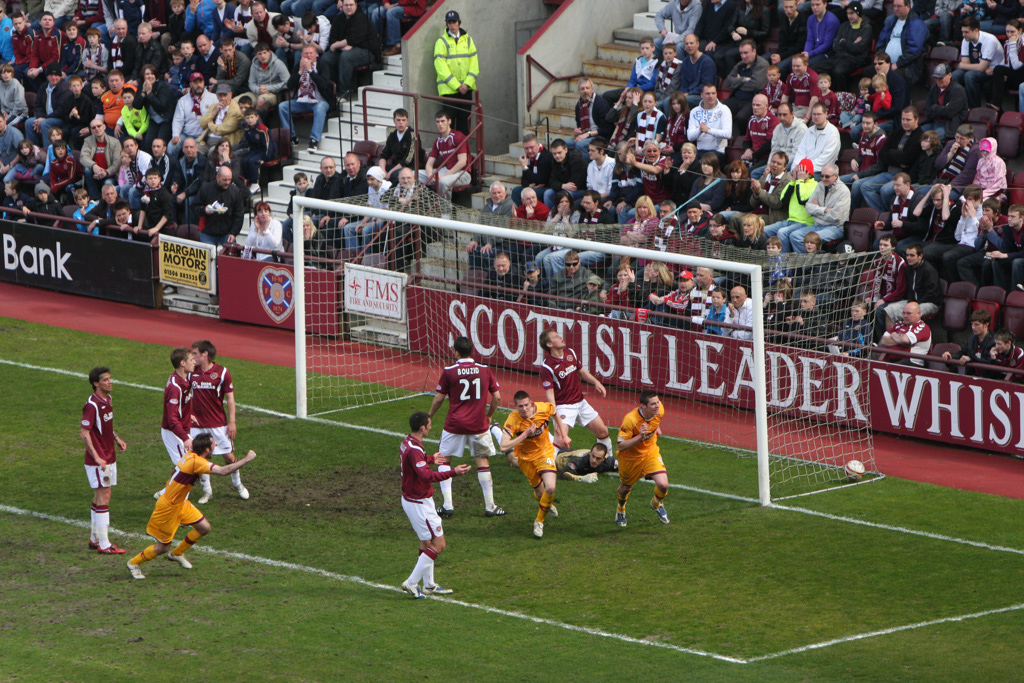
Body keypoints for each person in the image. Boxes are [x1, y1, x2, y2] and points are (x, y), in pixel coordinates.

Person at [126, 434, 257, 579]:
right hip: (168, 507)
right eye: (213, 444)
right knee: (163, 547)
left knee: (204, 527)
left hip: (180, 503)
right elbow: (223, 471)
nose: (215, 446)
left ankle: (177, 553)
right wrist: (247, 459)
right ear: (207, 449)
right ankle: (133, 563)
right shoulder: (196, 462)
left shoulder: (190, 455)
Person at [427, 336, 504, 518]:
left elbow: (438, 398)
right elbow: (497, 397)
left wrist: (429, 416)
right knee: (482, 461)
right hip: (479, 424)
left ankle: (447, 505)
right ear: (472, 351)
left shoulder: (449, 371)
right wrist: (489, 415)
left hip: (454, 424)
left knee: (444, 460)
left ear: (456, 352)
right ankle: (490, 506)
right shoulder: (484, 370)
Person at [397, 411, 470, 599]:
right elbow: (426, 475)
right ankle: (411, 582)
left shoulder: (408, 442)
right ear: (422, 427)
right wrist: (453, 472)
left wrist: (430, 458)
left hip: (415, 499)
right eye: (429, 425)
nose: (430, 427)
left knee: (426, 542)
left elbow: (415, 462)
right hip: (419, 503)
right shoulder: (414, 449)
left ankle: (428, 585)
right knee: (439, 544)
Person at [500, 390, 570, 539]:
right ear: (516, 406)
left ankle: (539, 522)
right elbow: (503, 446)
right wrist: (525, 434)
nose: (524, 408)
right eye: (520, 406)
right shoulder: (513, 419)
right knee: (540, 493)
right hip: (525, 459)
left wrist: (564, 435)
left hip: (545, 453)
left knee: (550, 487)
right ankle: (548, 504)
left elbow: (554, 412)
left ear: (531, 403)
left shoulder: (543, 408)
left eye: (526, 405)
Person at [189, 339, 248, 504]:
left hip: (218, 424)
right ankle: (207, 491)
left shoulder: (222, 373)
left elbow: (230, 399)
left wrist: (232, 422)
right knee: (201, 459)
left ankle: (238, 484)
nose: (192, 357)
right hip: (197, 426)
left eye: (195, 353)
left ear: (205, 354)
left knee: (228, 457)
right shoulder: (191, 372)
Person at [539, 327, 611, 453]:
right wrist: (556, 417)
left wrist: (596, 382)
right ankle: (548, 463)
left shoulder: (570, 353)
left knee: (603, 431)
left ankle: (609, 459)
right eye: (556, 337)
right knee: (560, 440)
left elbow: (581, 372)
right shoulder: (547, 366)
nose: (560, 337)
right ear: (549, 344)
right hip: (564, 406)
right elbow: (550, 395)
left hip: (581, 402)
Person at [81, 366, 129, 555]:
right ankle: (104, 543)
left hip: (108, 455)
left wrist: (116, 438)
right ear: (96, 383)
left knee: (99, 496)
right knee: (104, 496)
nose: (110, 382)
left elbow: (105, 425)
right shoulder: (92, 405)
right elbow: (84, 433)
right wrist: (97, 457)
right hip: (99, 459)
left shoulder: (107, 399)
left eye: (110, 378)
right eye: (105, 380)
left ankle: (94, 539)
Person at [615, 390, 668, 528]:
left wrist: (656, 428)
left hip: (650, 452)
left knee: (663, 485)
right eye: (653, 404)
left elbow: (655, 420)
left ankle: (656, 504)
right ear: (644, 406)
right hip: (630, 458)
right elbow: (620, 446)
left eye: (658, 402)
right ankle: (621, 508)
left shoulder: (659, 410)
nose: (657, 406)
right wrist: (640, 437)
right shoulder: (630, 420)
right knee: (625, 488)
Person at [154, 347, 196, 500]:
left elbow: (182, 404)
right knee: (187, 468)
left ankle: (165, 494)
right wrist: (185, 438)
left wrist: (188, 414)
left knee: (188, 466)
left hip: (181, 429)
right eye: (191, 359)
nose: (194, 362)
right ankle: (179, 502)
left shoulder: (185, 379)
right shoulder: (175, 387)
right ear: (182, 363)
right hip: (174, 432)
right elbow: (172, 419)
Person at [281, 44, 332, 152]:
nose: (308, 56)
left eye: (311, 53)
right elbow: (290, 85)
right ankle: (292, 137)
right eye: (306, 53)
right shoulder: (298, 66)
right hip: (302, 102)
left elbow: (324, 85)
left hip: (319, 101)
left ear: (315, 55)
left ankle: (314, 140)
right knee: (283, 106)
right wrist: (300, 71)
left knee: (320, 108)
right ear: (301, 55)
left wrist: (310, 71)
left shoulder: (323, 65)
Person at [432, 9, 477, 134]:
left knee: (464, 126)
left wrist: (467, 83)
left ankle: (463, 147)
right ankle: (450, 148)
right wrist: (457, 86)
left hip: (466, 90)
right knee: (448, 128)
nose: (452, 25)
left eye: (454, 22)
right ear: (446, 24)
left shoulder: (468, 40)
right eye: (449, 23)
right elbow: (441, 67)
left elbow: (474, 65)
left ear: (459, 23)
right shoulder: (441, 42)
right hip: (449, 91)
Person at [953, 15, 1004, 109]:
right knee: (955, 75)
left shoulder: (989, 40)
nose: (963, 35)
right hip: (982, 69)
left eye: (966, 32)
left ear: (976, 30)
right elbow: (965, 63)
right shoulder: (966, 40)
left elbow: (973, 66)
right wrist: (979, 67)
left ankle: (974, 108)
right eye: (962, 32)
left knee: (969, 76)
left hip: (993, 71)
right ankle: (957, 105)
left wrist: (964, 65)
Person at [418, 109, 469, 199]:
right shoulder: (438, 141)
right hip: (445, 171)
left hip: (462, 173)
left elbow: (462, 162)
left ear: (449, 121)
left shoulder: (458, 136)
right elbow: (429, 163)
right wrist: (430, 175)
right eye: (438, 122)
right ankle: (415, 202)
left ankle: (445, 208)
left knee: (442, 182)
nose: (440, 124)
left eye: (443, 121)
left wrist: (444, 176)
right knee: (413, 174)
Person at [876, 0, 929, 86]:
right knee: (869, 71)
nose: (896, 9)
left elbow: (913, 50)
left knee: (892, 76)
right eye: (894, 6)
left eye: (899, 6)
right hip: (888, 63)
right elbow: (881, 41)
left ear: (908, 6)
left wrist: (897, 64)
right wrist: (881, 60)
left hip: (908, 66)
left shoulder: (917, 23)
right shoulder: (892, 21)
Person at [195, 166, 247, 246]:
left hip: (227, 232)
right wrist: (204, 210)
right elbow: (194, 207)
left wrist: (234, 233)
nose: (227, 182)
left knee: (231, 252)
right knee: (209, 253)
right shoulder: (206, 189)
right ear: (217, 177)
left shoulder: (235, 191)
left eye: (229, 179)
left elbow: (239, 214)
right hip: (208, 232)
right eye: (224, 180)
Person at [942, 309, 996, 375]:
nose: (973, 327)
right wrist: (950, 357)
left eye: (976, 324)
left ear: (986, 324)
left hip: (986, 378)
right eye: (972, 324)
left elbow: (990, 363)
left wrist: (971, 359)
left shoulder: (994, 341)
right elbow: (962, 352)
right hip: (970, 377)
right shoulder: (972, 338)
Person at [878, 301, 932, 366]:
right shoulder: (899, 324)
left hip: (911, 363)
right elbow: (883, 341)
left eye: (909, 313)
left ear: (918, 314)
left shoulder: (922, 327)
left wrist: (893, 335)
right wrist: (901, 340)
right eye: (904, 313)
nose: (905, 316)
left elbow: (905, 340)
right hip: (891, 360)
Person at [686, 83, 732, 157]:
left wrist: (708, 130)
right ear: (702, 95)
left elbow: (728, 134)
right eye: (707, 94)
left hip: (718, 151)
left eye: (713, 93)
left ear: (716, 94)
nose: (711, 96)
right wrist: (699, 130)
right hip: (699, 150)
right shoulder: (694, 111)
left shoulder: (724, 109)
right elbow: (690, 137)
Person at [572, 77, 612, 155]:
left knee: (579, 145)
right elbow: (579, 125)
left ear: (592, 89)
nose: (585, 91)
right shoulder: (579, 105)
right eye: (582, 89)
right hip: (586, 135)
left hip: (600, 137)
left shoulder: (601, 103)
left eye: (587, 88)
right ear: (579, 91)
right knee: (566, 144)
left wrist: (588, 133)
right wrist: (577, 131)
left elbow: (608, 129)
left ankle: (590, 162)